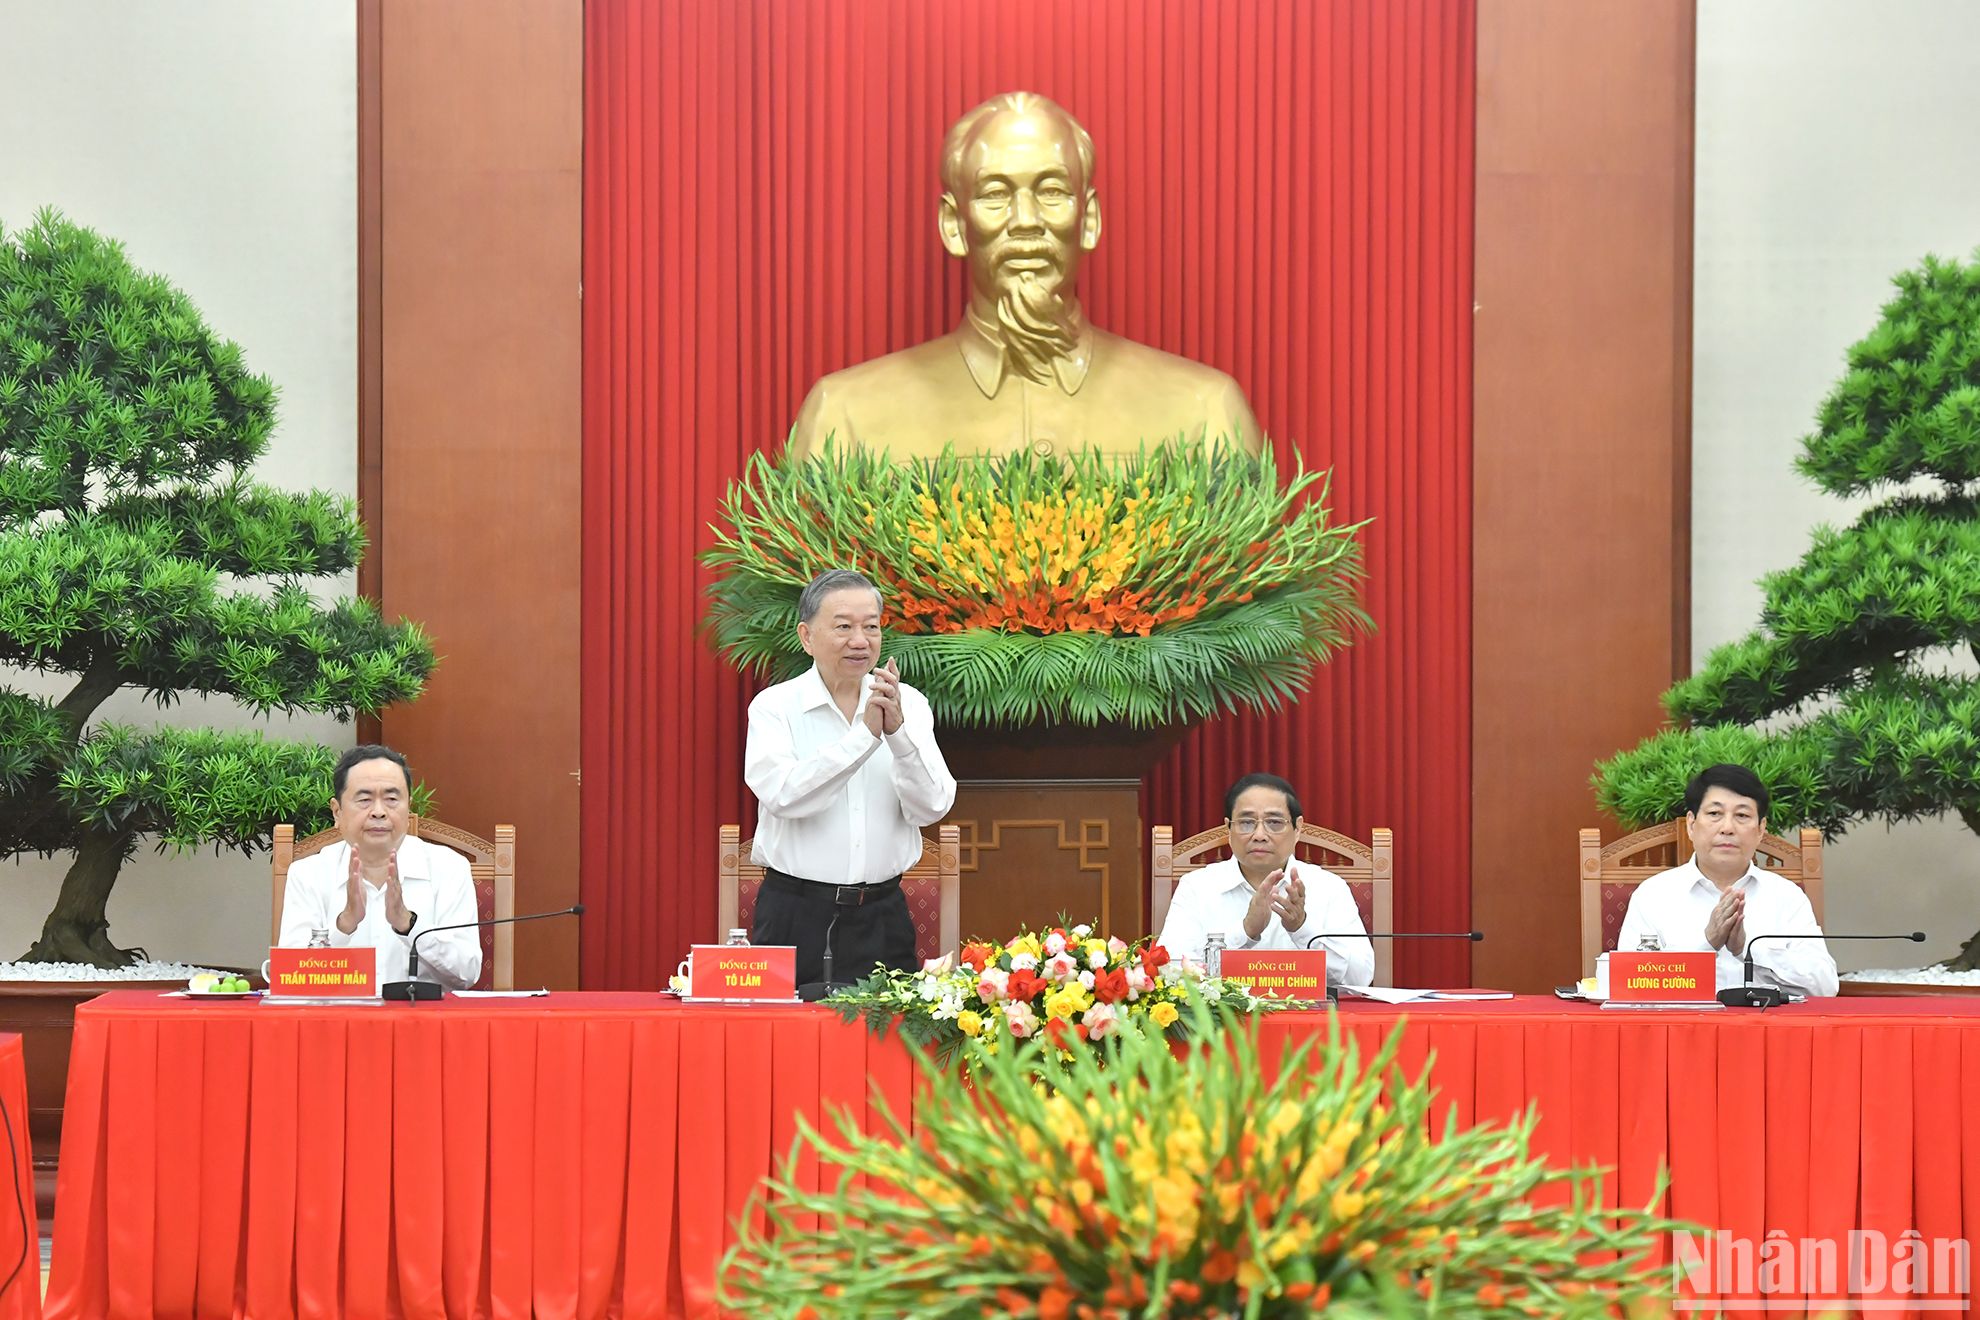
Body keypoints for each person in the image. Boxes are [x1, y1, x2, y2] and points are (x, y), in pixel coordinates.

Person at [787, 91, 1261, 462]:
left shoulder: (1204, 413)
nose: (1027, 219)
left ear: (1089, 218)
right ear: (953, 226)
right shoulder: (844, 417)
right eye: (995, 194)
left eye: (1052, 190)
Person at [744, 569, 957, 986]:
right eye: (843, 626)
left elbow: (933, 805)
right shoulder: (774, 708)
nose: (860, 640)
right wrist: (865, 738)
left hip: (882, 914)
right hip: (794, 913)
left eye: (871, 627)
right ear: (807, 637)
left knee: (887, 1046)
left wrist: (896, 734)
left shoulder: (907, 704)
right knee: (782, 1046)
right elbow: (785, 796)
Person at [1616, 763, 1837, 997]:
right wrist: (1707, 943)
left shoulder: (1786, 896)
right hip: (1683, 1029)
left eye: (1742, 815)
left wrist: (1748, 948)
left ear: (1761, 829)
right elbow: (1629, 984)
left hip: (1766, 1029)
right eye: (1714, 814)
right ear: (1691, 825)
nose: (1727, 828)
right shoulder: (1654, 894)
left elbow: (1824, 986)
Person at [278, 744, 481, 989]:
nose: (378, 812)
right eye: (364, 800)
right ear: (337, 812)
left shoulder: (449, 868)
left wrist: (409, 925)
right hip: (338, 1022)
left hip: (421, 1022)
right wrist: (345, 924)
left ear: (409, 808)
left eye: (392, 799)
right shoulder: (308, 874)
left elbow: (467, 973)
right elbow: (292, 979)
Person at [1156, 772, 1374, 988]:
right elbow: (1168, 973)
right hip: (1221, 1021)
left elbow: (1360, 978)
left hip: (1311, 1020)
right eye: (1246, 823)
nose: (1259, 834)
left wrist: (1302, 928)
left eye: (1274, 822)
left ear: (1297, 829)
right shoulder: (1197, 886)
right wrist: (1245, 931)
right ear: (1228, 829)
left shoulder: (1329, 887)